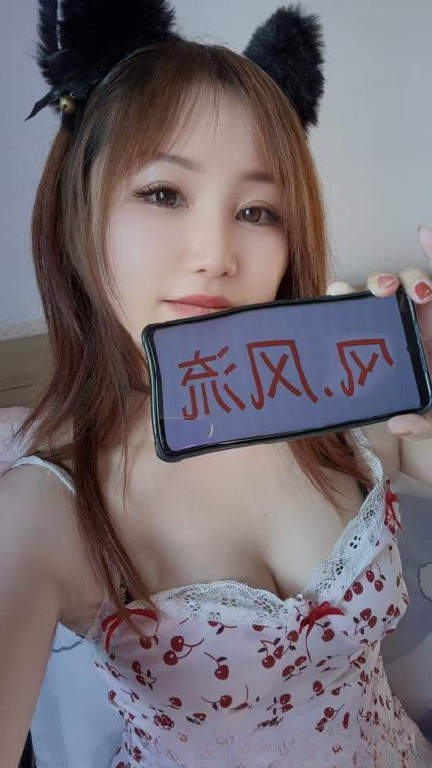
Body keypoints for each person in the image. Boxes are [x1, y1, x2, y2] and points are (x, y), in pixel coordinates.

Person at [1, 1, 432, 766]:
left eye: (257, 210)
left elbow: (417, 465)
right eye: (164, 193)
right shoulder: (46, 506)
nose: (216, 253)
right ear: (79, 211)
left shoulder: (342, 401)